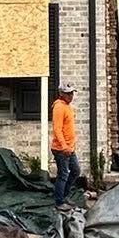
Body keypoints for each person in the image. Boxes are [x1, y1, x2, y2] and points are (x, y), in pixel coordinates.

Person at [50, 79, 82, 209]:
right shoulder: (58, 107)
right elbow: (57, 129)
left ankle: (64, 196)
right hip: (61, 149)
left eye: (72, 93)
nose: (71, 96)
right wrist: (64, 147)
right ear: (61, 93)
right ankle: (59, 202)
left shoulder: (67, 106)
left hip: (69, 148)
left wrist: (71, 146)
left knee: (75, 171)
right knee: (63, 174)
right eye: (68, 93)